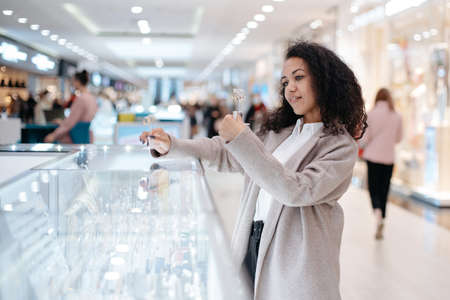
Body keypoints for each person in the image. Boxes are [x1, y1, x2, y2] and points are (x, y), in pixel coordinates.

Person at [140, 41, 367, 300]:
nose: (290, 88)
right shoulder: (281, 131)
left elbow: (297, 190)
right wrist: (172, 144)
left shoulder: (339, 146)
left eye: (299, 78)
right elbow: (226, 153)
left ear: (325, 81)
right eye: (285, 82)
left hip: (297, 262)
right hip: (253, 241)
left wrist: (242, 140)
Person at [359, 88, 402, 240]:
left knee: (373, 188)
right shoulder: (397, 116)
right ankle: (382, 217)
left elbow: (365, 138)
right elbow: (398, 139)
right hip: (389, 158)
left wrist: (360, 146)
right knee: (384, 189)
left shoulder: (371, 114)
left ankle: (377, 212)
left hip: (373, 157)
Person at [44, 70, 97, 143]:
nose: (72, 84)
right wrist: (63, 122)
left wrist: (54, 135)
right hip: (86, 136)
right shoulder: (92, 98)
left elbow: (71, 123)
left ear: (77, 82)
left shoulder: (81, 99)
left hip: (75, 137)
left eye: (73, 81)